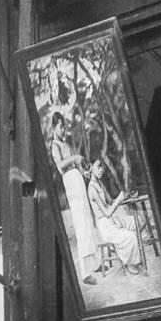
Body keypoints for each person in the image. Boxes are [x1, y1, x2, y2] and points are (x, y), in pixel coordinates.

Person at [49, 111, 100, 285]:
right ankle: (85, 273)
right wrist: (74, 157)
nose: (63, 130)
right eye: (60, 127)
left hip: (77, 178)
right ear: (54, 127)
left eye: (64, 127)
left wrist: (84, 171)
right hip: (69, 181)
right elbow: (61, 166)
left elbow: (74, 163)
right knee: (80, 222)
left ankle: (95, 263)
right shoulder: (54, 145)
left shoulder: (65, 143)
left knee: (87, 218)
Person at [87, 159, 143, 274]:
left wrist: (126, 196)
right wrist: (119, 199)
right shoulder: (92, 189)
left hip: (113, 219)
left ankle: (132, 255)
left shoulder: (100, 183)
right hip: (105, 225)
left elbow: (111, 201)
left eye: (102, 167)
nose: (101, 170)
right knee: (130, 237)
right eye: (98, 166)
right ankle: (129, 262)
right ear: (90, 166)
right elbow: (107, 213)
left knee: (136, 221)